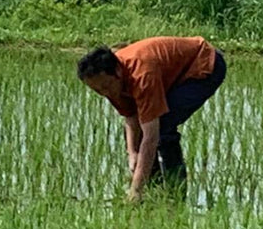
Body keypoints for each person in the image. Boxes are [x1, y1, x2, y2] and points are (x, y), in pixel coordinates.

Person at [76, 36, 226, 201]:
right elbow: (131, 116)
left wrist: (135, 190)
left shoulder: (142, 75)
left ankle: (174, 192)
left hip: (204, 63)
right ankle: (152, 189)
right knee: (143, 131)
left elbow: (151, 136)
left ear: (118, 73)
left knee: (163, 126)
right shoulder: (110, 83)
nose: (104, 93)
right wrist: (132, 153)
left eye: (105, 87)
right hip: (171, 73)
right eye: (97, 90)